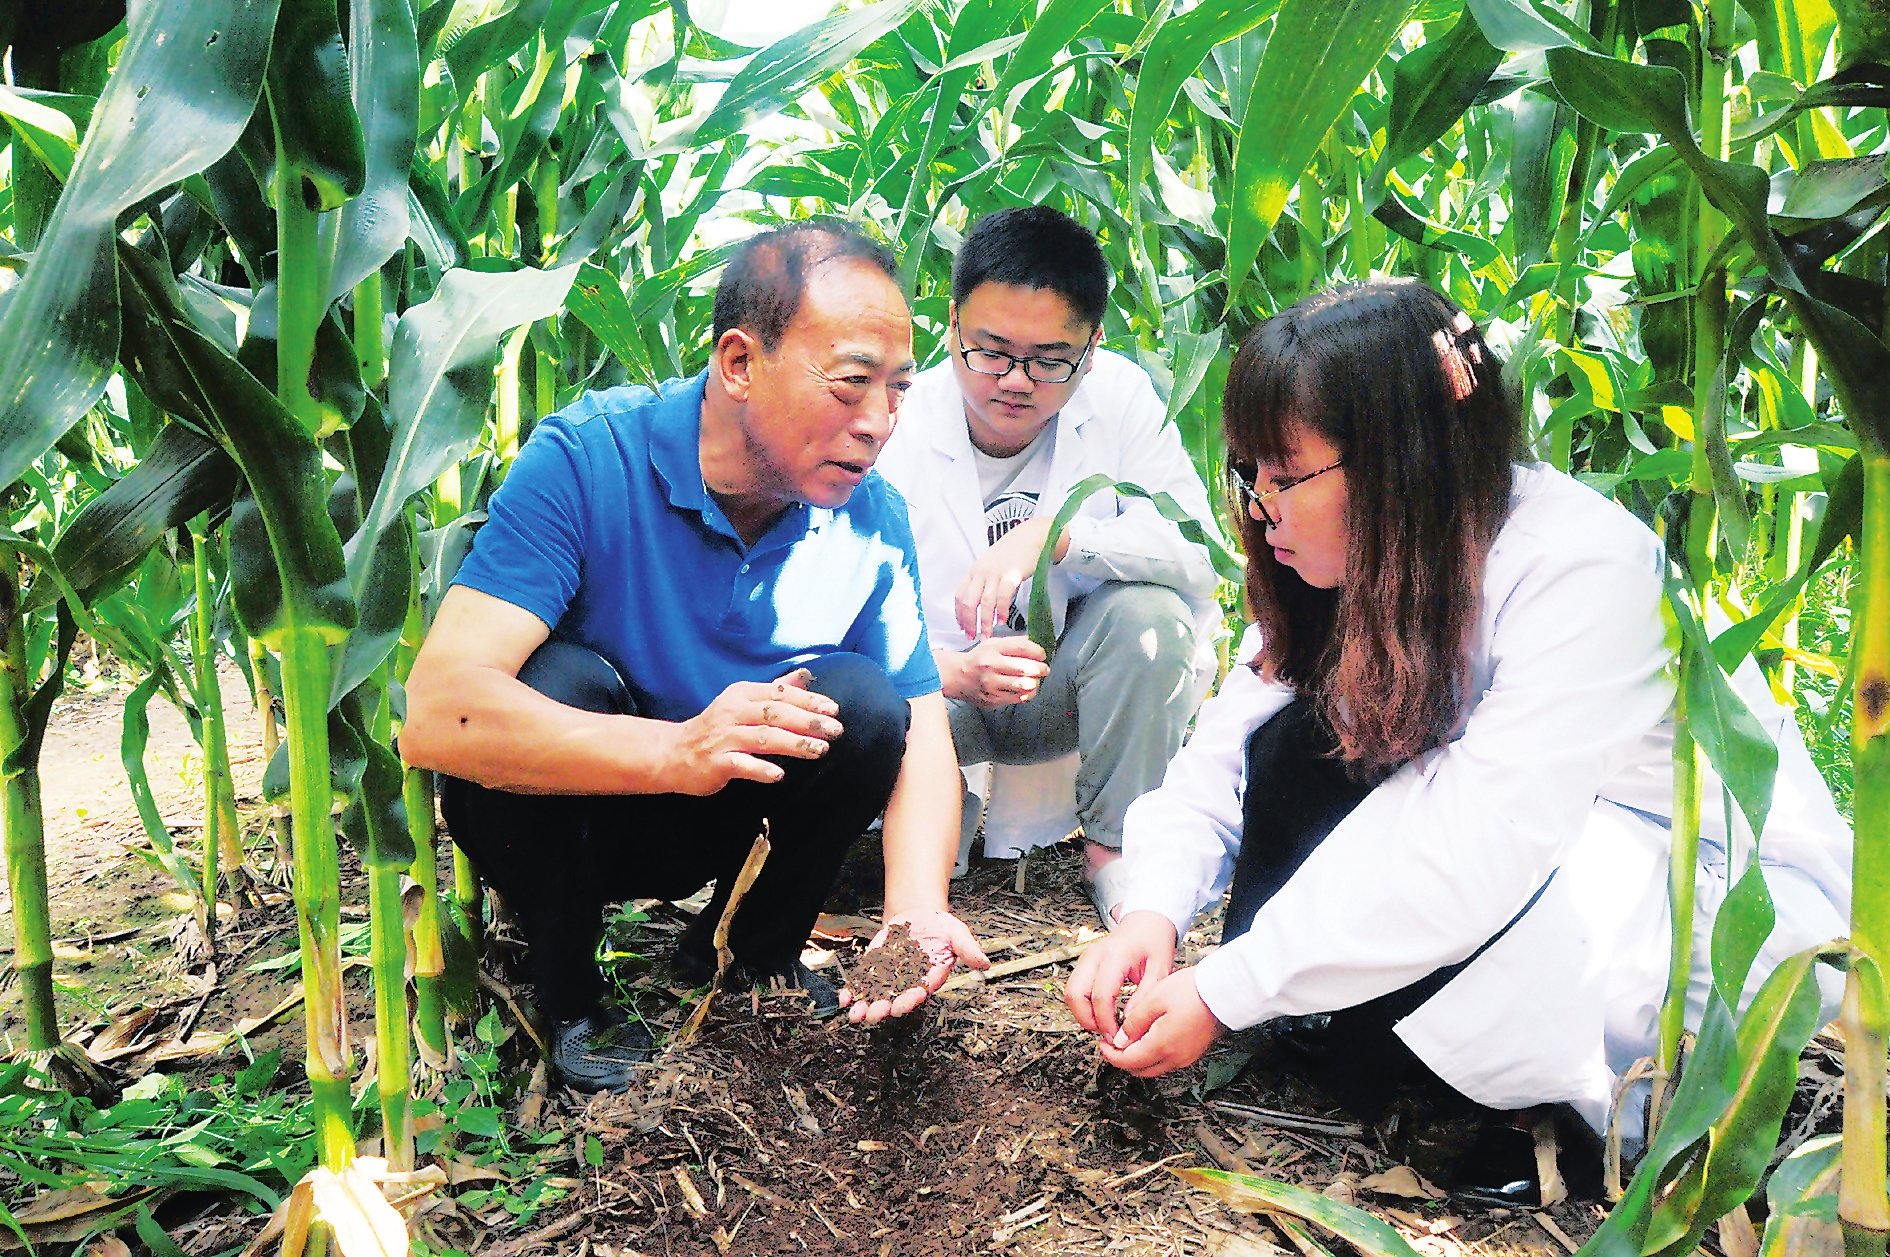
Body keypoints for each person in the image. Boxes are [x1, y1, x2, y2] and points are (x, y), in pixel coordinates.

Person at [1065, 279, 1852, 1168]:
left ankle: (1584, 1121)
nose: (1257, 506)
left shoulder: (1579, 570)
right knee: (1294, 745)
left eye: (1287, 476)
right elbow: (1229, 748)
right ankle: (1378, 1044)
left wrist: (1227, 986)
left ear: (1401, 463)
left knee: (1492, 877)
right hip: (1515, 852)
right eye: (1248, 471)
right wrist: (1153, 910)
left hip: (1688, 883)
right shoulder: (1358, 557)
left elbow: (1477, 840)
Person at [402, 222, 989, 1094]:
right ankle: (568, 995)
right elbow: (437, 713)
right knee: (555, 680)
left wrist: (914, 911)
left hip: (720, 819)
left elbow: (926, 735)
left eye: (899, 391)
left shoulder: (873, 521)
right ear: (740, 363)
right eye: (851, 384)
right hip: (576, 813)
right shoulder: (585, 460)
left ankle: (755, 957)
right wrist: (678, 751)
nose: (878, 425)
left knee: (867, 706)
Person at [875, 206, 1224, 928]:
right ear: (951, 326)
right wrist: (950, 670)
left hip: (1060, 692)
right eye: (991, 351)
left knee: (1151, 617)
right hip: (932, 700)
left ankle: (1115, 853)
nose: (1015, 381)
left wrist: (1058, 535)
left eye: (1049, 359)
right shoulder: (894, 419)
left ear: (1092, 349)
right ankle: (933, 848)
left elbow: (1197, 557)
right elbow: (834, 610)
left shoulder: (1121, 397)